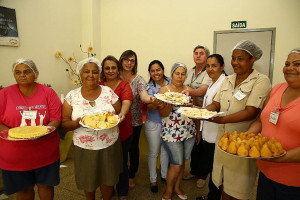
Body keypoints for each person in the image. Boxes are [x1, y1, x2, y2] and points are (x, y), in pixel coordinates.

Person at [205, 40, 271, 200]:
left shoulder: (261, 80)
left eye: (240, 58)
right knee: (220, 182)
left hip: (242, 142)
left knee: (236, 189)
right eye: (233, 58)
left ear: (252, 59)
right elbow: (216, 103)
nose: (235, 62)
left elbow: (250, 112)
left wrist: (222, 120)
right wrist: (200, 111)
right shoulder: (228, 80)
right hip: (223, 142)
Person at [0, 58, 61, 200]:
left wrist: (40, 133)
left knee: (45, 186)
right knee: (24, 189)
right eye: (18, 72)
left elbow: (56, 118)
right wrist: (14, 134)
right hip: (15, 153)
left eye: (27, 71)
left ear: (36, 74)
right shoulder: (4, 94)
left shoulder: (48, 93)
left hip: (44, 150)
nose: (22, 75)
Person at [62, 57, 122, 200]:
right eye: (86, 71)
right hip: (85, 147)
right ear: (80, 74)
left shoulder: (108, 92)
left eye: (95, 72)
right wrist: (79, 122)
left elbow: (117, 113)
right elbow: (64, 124)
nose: (91, 75)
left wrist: (111, 120)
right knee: (88, 181)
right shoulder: (72, 96)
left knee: (108, 180)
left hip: (109, 144)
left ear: (99, 74)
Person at [246, 48, 300, 200]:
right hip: (266, 171)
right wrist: (247, 137)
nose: (290, 68)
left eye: (297, 64)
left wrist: (277, 157)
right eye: (287, 63)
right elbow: (260, 120)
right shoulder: (277, 89)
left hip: (294, 181)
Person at [158, 62, 196, 200]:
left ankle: (177, 187)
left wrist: (198, 131)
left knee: (183, 162)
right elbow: (163, 114)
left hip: (189, 131)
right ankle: (168, 191)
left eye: (183, 73)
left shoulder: (189, 89)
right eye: (177, 73)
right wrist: (168, 104)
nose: (180, 76)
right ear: (172, 74)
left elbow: (194, 111)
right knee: (176, 163)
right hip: (171, 132)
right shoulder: (164, 91)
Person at [99, 55, 134, 200]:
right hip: (103, 132)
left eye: (113, 68)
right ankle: (108, 190)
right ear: (103, 70)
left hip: (123, 130)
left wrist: (122, 114)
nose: (110, 71)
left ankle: (123, 192)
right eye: (107, 68)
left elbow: (126, 102)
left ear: (118, 69)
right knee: (106, 163)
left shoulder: (124, 85)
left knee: (121, 163)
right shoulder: (99, 86)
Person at [119, 50, 153, 189]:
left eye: (132, 60)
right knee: (119, 151)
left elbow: (144, 96)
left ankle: (131, 175)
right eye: (126, 59)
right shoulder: (115, 76)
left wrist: (154, 99)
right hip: (117, 121)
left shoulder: (139, 80)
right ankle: (120, 175)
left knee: (132, 149)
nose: (129, 63)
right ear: (121, 60)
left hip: (135, 121)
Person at [194, 54, 226, 200]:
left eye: (214, 65)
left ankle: (213, 196)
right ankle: (212, 195)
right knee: (213, 168)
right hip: (208, 132)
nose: (210, 69)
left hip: (217, 133)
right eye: (208, 66)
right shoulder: (214, 82)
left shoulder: (224, 83)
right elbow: (208, 105)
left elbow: (218, 107)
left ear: (222, 67)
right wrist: (195, 108)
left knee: (217, 170)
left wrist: (200, 112)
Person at [183, 45, 212, 189]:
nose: (198, 55)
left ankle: (202, 175)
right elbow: (184, 85)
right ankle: (193, 170)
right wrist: (190, 90)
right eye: (196, 53)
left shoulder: (209, 71)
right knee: (194, 140)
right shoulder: (190, 71)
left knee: (203, 142)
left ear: (207, 56)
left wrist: (189, 90)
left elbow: (202, 91)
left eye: (202, 53)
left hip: (203, 110)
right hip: (191, 110)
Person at [144, 60, 171, 193]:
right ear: (150, 72)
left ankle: (164, 175)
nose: (156, 73)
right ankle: (153, 179)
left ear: (163, 70)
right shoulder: (148, 87)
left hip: (169, 122)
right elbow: (150, 107)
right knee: (154, 153)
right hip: (153, 123)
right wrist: (157, 102)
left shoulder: (170, 81)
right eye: (153, 70)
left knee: (166, 151)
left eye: (158, 69)